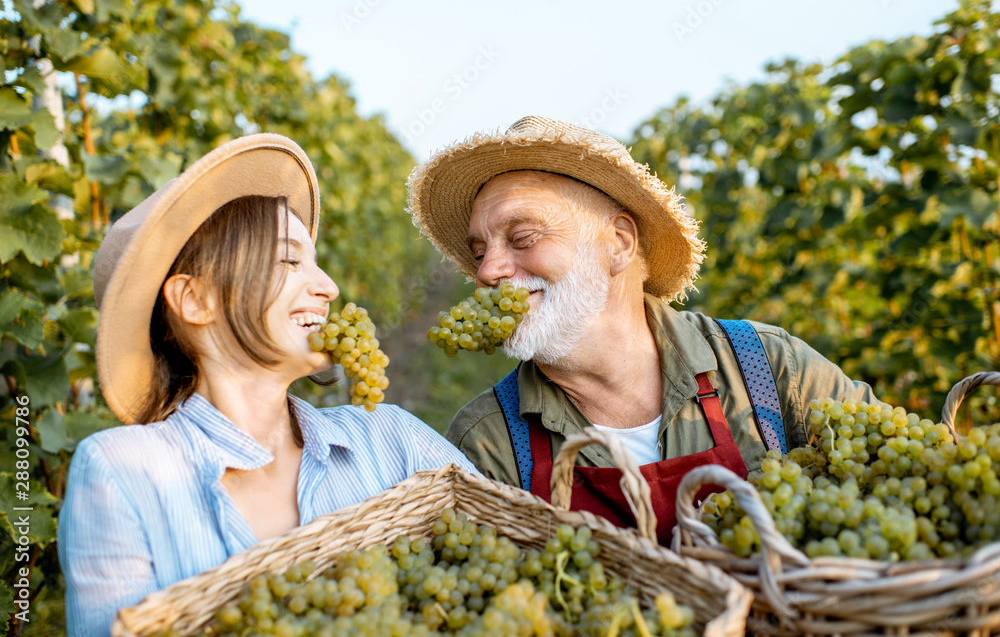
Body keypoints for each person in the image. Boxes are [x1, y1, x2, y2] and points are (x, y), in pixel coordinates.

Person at [58, 134, 476, 636]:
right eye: (288, 260)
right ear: (195, 300)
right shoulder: (120, 473)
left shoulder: (392, 439)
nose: (329, 287)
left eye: (316, 261)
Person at [406, 116, 874, 543]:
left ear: (619, 243)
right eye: (479, 251)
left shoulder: (767, 367)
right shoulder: (490, 441)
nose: (488, 271)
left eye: (523, 238)